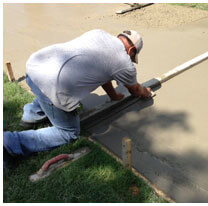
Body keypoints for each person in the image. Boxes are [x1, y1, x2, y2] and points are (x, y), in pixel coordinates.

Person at [4, 29, 151, 168]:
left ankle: (30, 116)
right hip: (54, 85)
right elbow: (136, 90)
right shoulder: (124, 63)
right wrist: (146, 92)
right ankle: (9, 143)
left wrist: (113, 95)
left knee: (47, 90)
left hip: (35, 67)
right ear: (131, 51)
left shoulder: (99, 33)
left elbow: (105, 73)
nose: (130, 60)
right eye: (132, 57)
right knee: (68, 133)